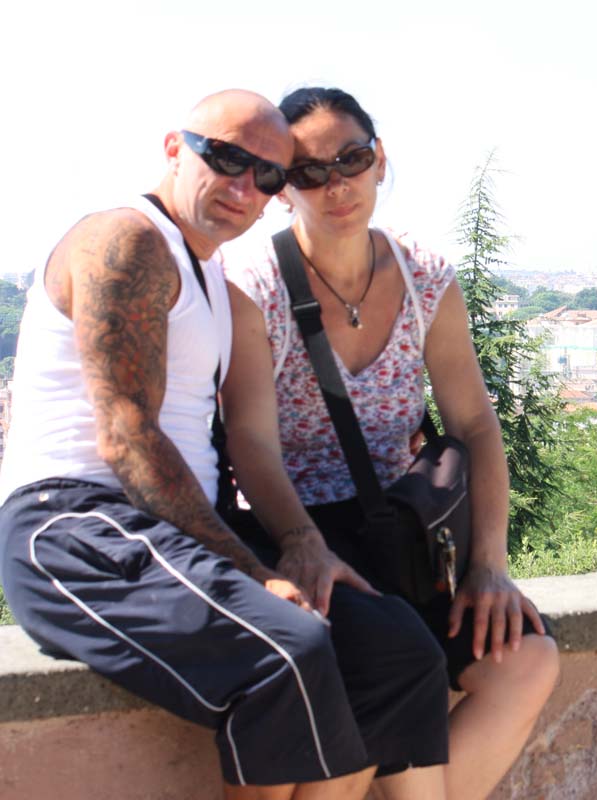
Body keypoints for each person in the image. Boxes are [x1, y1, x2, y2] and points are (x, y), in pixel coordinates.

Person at [0, 90, 393, 800]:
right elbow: (127, 438)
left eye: (268, 175)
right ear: (174, 149)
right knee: (290, 648)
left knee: (391, 654)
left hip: (162, 529)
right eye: (227, 158)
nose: (245, 186)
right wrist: (253, 570)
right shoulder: (126, 240)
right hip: (74, 525)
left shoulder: (208, 269)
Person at [222, 86, 560, 800]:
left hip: (404, 536)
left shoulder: (424, 277)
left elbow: (475, 425)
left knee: (527, 659)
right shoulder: (254, 287)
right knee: (397, 675)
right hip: (302, 542)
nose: (337, 185)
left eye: (351, 159)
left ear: (379, 159)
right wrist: (302, 544)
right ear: (283, 189)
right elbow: (249, 438)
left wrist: (490, 566)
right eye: (310, 171)